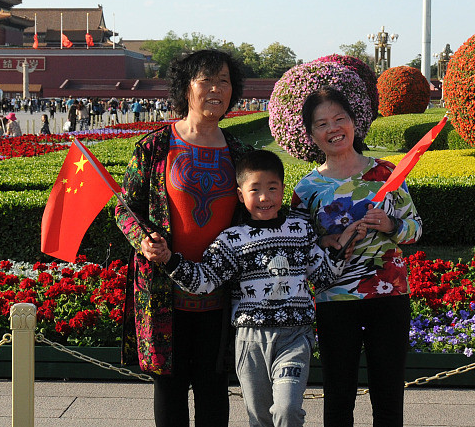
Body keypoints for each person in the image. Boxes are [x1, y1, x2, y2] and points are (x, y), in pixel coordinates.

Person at [145, 150, 365, 427]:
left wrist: (341, 249)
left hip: (294, 338)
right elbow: (204, 281)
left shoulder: (301, 230)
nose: (265, 198)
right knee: (260, 418)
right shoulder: (232, 239)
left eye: (272, 188)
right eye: (255, 190)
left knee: (287, 409)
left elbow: (321, 277)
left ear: (283, 190)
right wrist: (167, 258)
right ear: (240, 195)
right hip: (251, 341)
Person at [114, 49, 251, 427]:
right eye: (205, 80)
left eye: (224, 81)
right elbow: (124, 208)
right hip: (163, 290)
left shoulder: (240, 154)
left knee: (214, 387)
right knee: (169, 388)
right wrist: (142, 240)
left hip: (221, 296)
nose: (216, 89)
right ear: (185, 88)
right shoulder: (155, 146)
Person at [291, 86, 422, 427]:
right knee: (338, 395)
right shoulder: (306, 190)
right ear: (311, 134)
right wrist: (329, 240)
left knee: (389, 393)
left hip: (389, 294)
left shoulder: (387, 173)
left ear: (353, 123)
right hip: (335, 299)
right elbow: (300, 250)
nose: (333, 128)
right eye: (322, 124)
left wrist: (392, 224)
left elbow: (416, 229)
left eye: (340, 119)